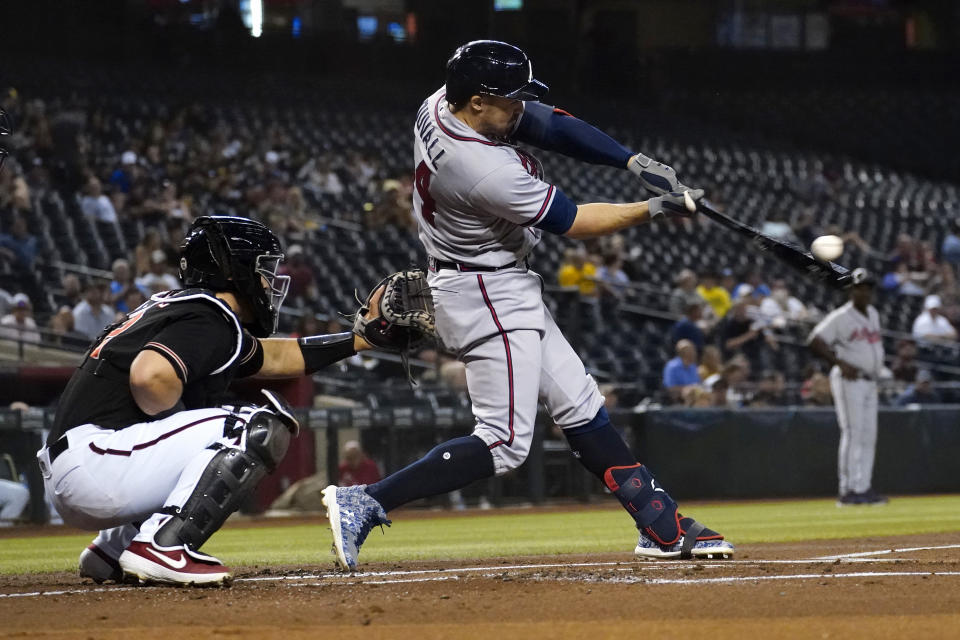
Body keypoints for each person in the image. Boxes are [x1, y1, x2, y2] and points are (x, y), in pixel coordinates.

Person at [321, 39, 733, 572]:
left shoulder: (440, 103)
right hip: (486, 291)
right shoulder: (481, 168)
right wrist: (655, 207)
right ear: (476, 103)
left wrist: (632, 160)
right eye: (507, 99)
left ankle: (661, 525)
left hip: (495, 281)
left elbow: (545, 122)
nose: (519, 108)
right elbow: (575, 221)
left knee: (581, 405)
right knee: (503, 442)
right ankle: (366, 499)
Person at [37, 216, 386, 586]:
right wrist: (179, 417)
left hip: (83, 463)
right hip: (97, 461)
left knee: (209, 443)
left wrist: (358, 341)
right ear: (234, 271)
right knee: (255, 426)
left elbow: (276, 358)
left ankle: (111, 550)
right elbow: (149, 376)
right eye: (264, 268)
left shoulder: (188, 308)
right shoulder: (210, 316)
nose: (270, 281)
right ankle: (164, 546)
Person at [808, 268, 887, 506]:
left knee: (868, 435)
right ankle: (848, 490)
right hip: (848, 380)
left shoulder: (872, 313)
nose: (865, 291)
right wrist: (840, 363)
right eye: (860, 287)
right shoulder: (841, 317)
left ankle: (863, 487)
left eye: (869, 288)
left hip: (869, 381)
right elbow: (815, 341)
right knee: (853, 433)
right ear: (851, 290)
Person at [662, 339, 700, 404]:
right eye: (690, 350)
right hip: (677, 401)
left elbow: (697, 384)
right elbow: (670, 388)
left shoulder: (693, 366)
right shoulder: (672, 366)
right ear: (682, 352)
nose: (694, 352)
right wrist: (687, 389)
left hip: (694, 399)